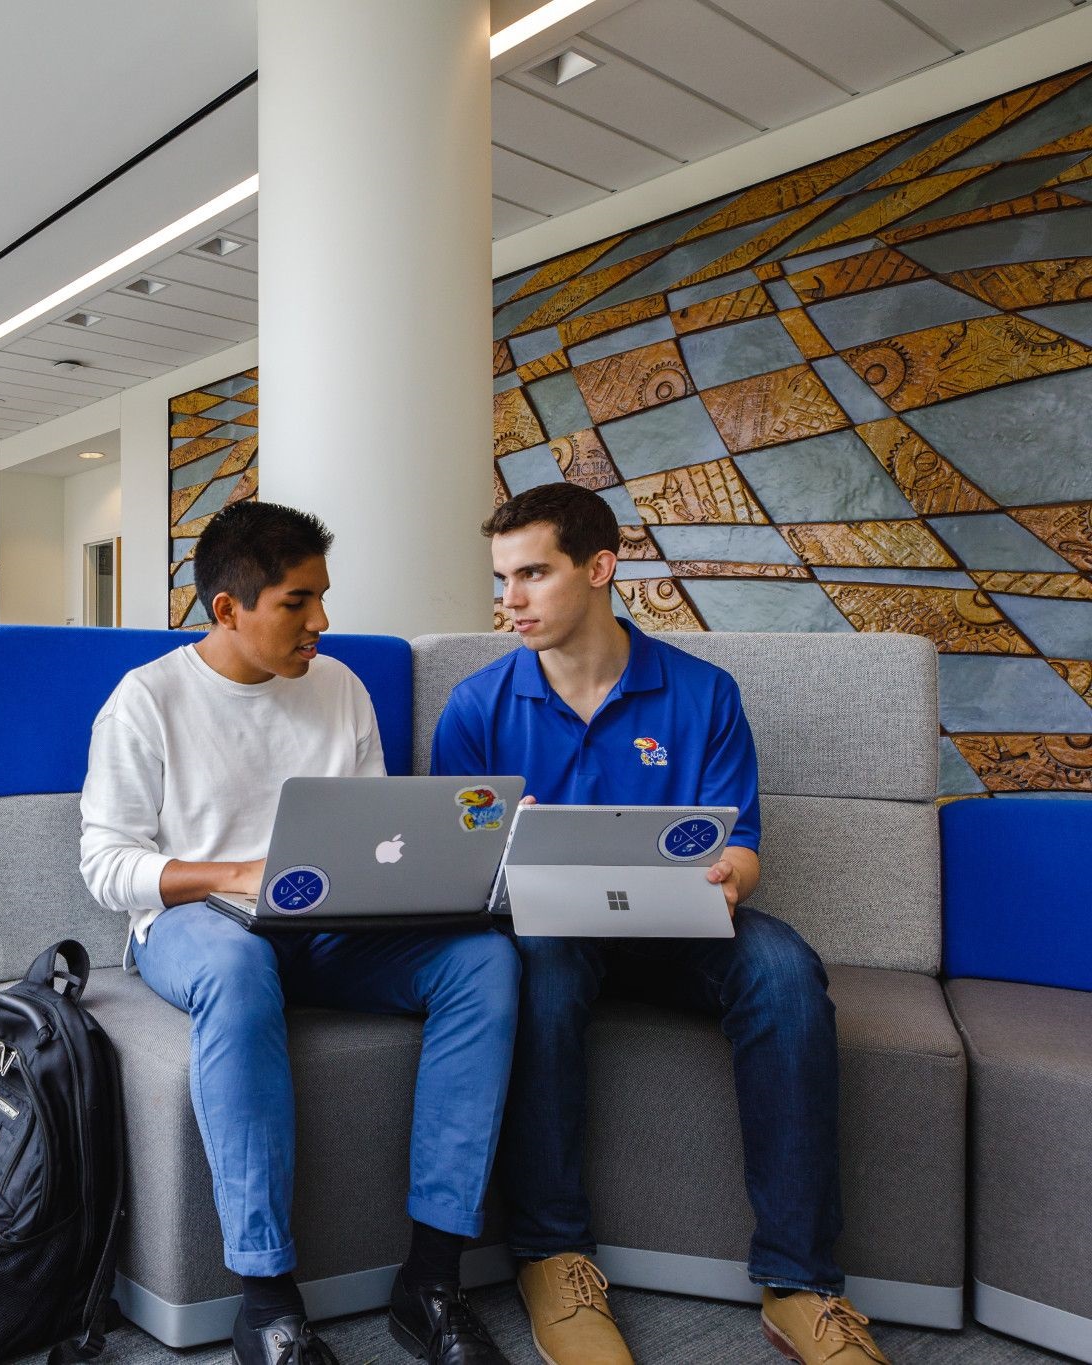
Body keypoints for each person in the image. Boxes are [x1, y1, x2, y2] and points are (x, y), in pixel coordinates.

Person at [430, 482, 887, 1365]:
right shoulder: (476, 708)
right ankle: (554, 1258)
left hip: (681, 929)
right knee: (545, 960)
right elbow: (464, 873)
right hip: (552, 940)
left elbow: (742, 848)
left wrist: (726, 879)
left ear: (601, 568)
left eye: (532, 574)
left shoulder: (703, 694)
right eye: (501, 578)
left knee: (787, 968)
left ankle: (802, 1286)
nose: (509, 601)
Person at [80, 501, 519, 1365]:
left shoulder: (342, 688)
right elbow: (105, 865)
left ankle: (429, 1282)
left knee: (485, 962)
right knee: (241, 970)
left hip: (329, 928)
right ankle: (268, 1301)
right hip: (197, 924)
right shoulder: (147, 700)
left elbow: (374, 835)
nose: (321, 621)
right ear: (227, 609)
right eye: (297, 601)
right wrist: (232, 875)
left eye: (323, 597)